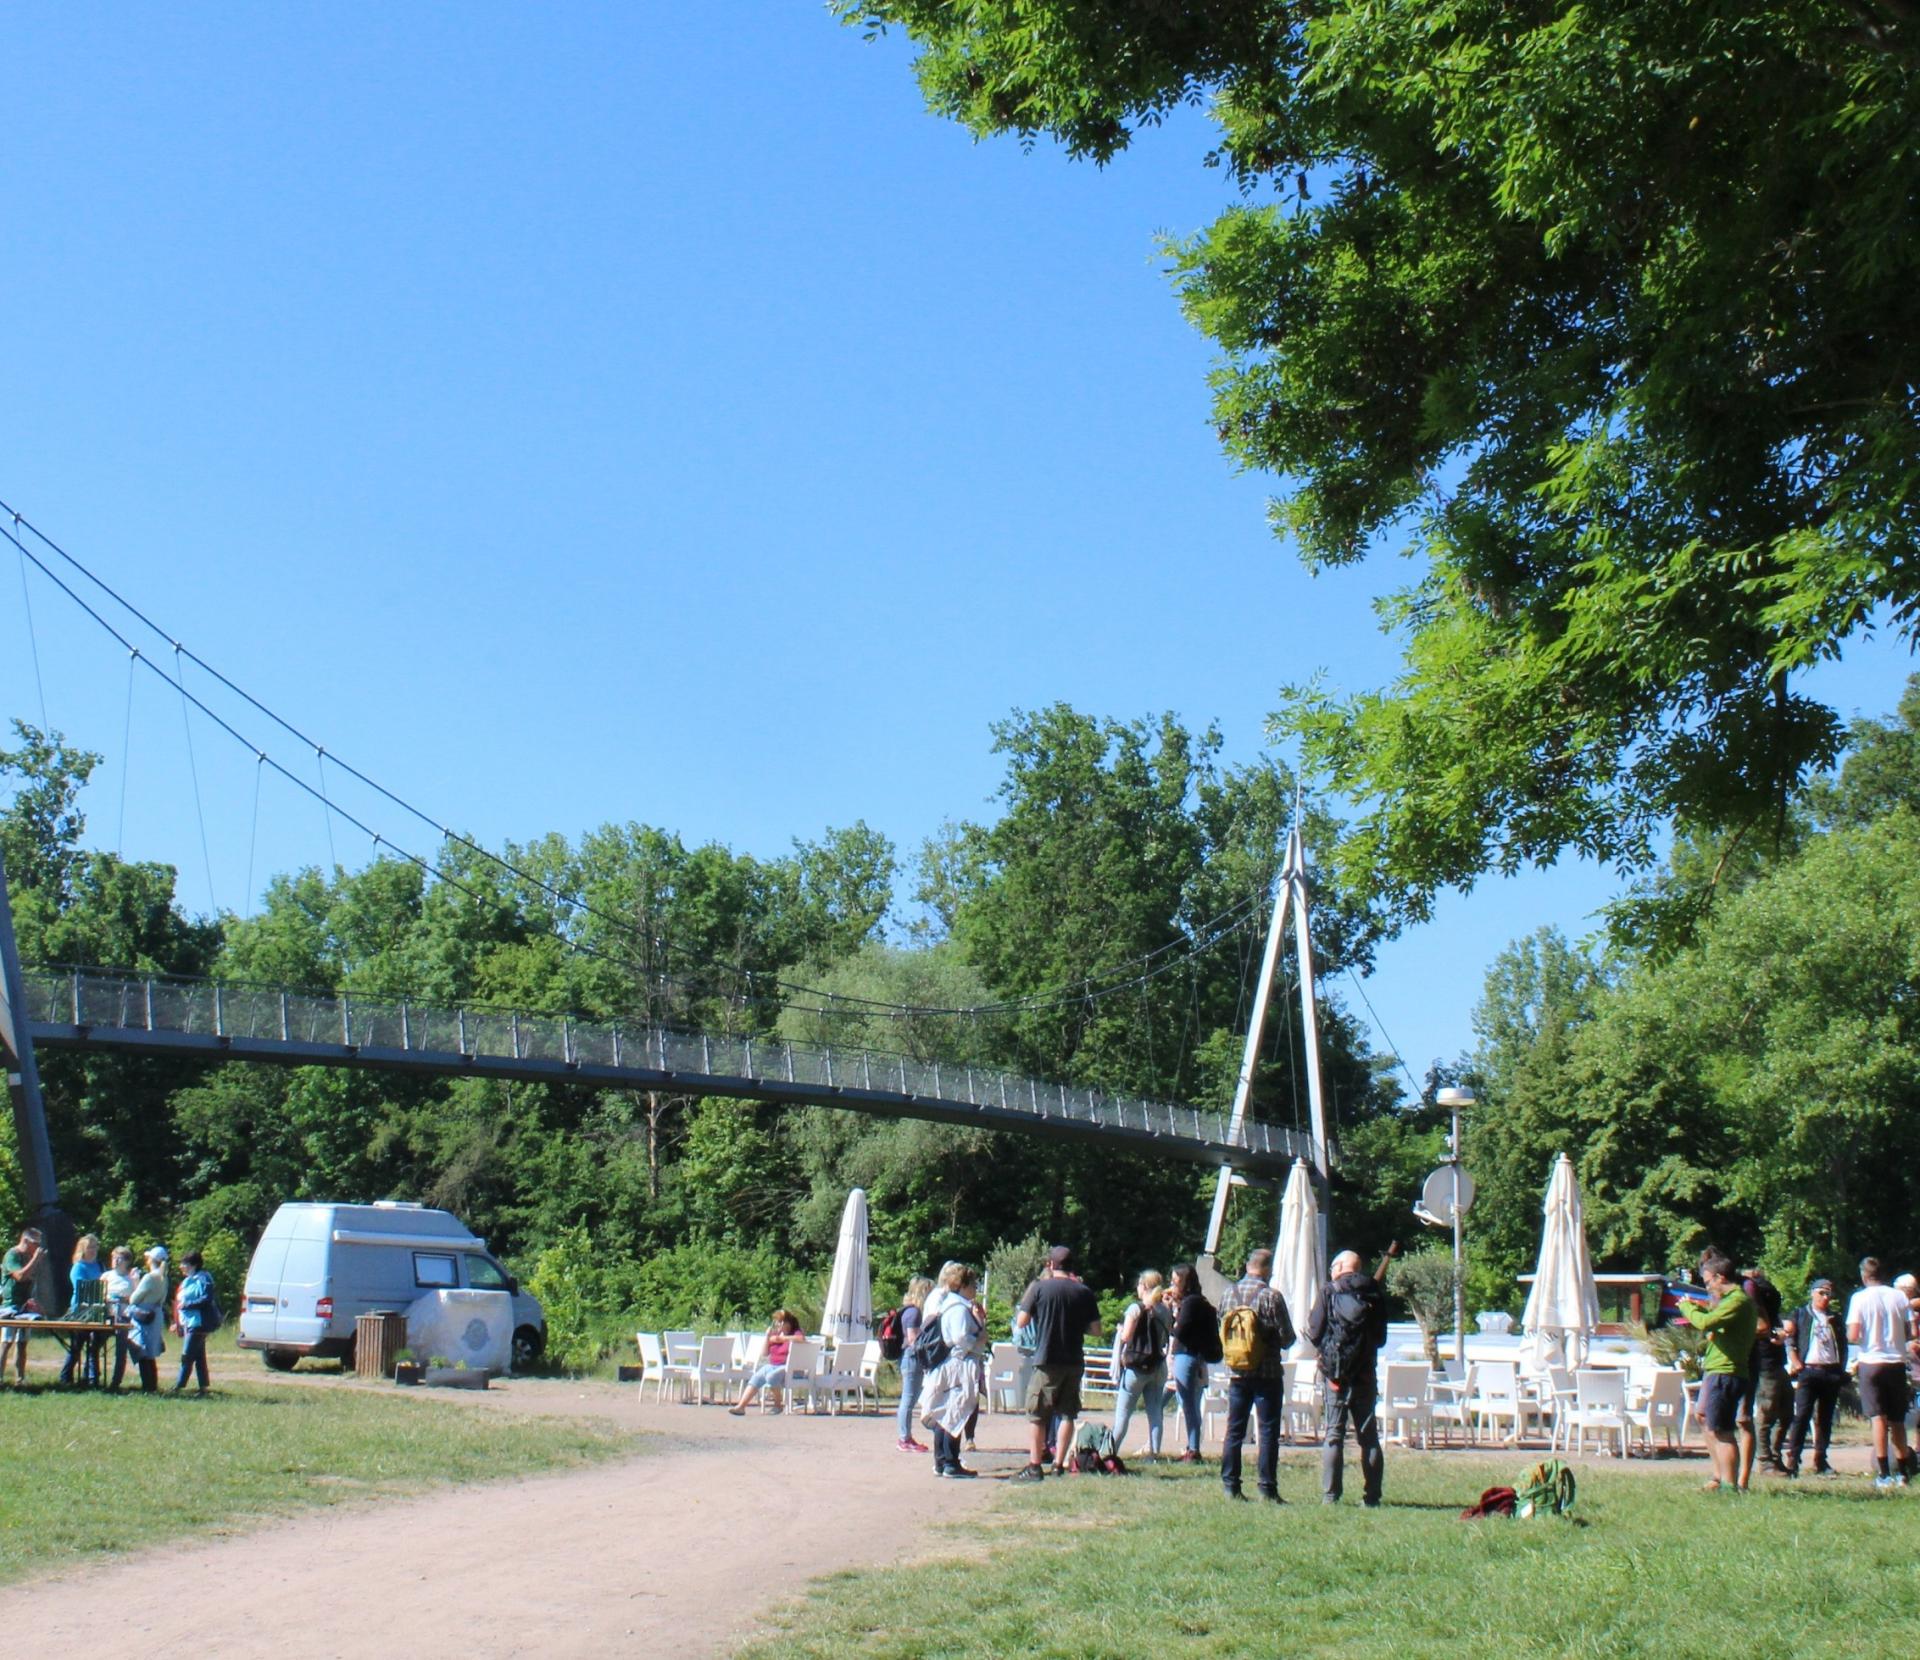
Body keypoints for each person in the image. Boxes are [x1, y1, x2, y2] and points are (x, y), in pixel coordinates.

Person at [1010, 1245, 1101, 1484]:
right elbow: (1096, 1330)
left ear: (1050, 1265)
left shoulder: (1039, 1288)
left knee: (1038, 1413)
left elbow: (1021, 1321)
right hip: (1073, 1360)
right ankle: (1058, 1466)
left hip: (1046, 1358)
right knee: (1067, 1413)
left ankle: (1035, 1466)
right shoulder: (1084, 1292)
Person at [1305, 1249, 1388, 1507]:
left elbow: (1315, 1330)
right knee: (1369, 1437)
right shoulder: (1373, 1292)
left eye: (1333, 1266)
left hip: (1336, 1375)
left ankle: (1331, 1496)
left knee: (1334, 1435)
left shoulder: (1329, 1291)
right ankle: (1372, 1497)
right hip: (1365, 1373)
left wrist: (1328, 1352)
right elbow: (1381, 1338)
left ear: (1341, 1267)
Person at [1217, 1247, 1295, 1503]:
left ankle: (1230, 1485)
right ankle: (1267, 1487)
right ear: (1267, 1269)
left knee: (1235, 1429)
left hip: (1237, 1372)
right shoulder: (1271, 1296)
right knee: (1268, 1430)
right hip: (1267, 1372)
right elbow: (1287, 1338)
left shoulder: (1228, 1294)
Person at [1682, 1247, 1757, 1492]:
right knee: (1702, 1415)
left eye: (1707, 1283)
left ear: (1720, 1278)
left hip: (1727, 1372)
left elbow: (1706, 1323)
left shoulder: (1738, 1300)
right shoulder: (1728, 1302)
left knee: (1722, 1430)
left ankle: (1729, 1485)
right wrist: (1700, 1309)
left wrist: (1687, 1308)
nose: (1707, 1288)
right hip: (1716, 1369)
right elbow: (1713, 1319)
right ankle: (1719, 1476)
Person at [1845, 1256, 1913, 1488]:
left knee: (1878, 1419)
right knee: (1897, 1420)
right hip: (1896, 1361)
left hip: (1871, 1362)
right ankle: (1903, 1472)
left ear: (1864, 1275)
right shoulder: (1900, 1297)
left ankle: (1883, 1473)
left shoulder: (1859, 1298)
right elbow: (1910, 1330)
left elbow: (1853, 1335)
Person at [916, 1261, 984, 1478]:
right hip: (959, 1365)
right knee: (954, 1414)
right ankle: (950, 1463)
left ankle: (942, 1462)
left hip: (950, 1364)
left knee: (944, 1413)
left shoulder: (948, 1303)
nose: (975, 1289)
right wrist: (979, 1337)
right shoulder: (958, 1308)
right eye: (972, 1284)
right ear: (962, 1285)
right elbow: (960, 1338)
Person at [1782, 1278, 1845, 1479]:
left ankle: (1820, 1458)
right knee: (1802, 1415)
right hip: (1809, 1371)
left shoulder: (1834, 1318)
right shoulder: (1801, 1314)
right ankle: (1793, 1458)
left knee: (1825, 1418)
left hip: (1831, 1371)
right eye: (1821, 1293)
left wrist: (1842, 1368)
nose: (1825, 1298)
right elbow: (1790, 1339)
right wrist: (1795, 1360)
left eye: (1828, 1294)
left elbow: (1842, 1343)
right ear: (1812, 1293)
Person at [1110, 1270, 1172, 1459]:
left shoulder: (1135, 1309)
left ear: (1144, 1287)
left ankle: (1111, 1453)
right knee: (1155, 1413)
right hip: (1158, 1366)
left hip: (1136, 1368)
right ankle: (1153, 1453)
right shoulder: (1164, 1310)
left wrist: (1120, 1331)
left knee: (1123, 1414)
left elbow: (1127, 1336)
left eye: (1139, 1284)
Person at [1165, 1262, 1220, 1464]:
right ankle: (1193, 1447)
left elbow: (1178, 1330)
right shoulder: (1201, 1302)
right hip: (1198, 1357)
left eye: (1174, 1281)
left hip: (1185, 1356)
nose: (1171, 1285)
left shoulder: (1191, 1304)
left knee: (1187, 1404)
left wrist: (1171, 1313)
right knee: (1192, 1404)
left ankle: (1193, 1449)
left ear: (1183, 1282)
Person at [1737, 1271, 1789, 1483]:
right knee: (1766, 1412)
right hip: (1765, 1361)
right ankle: (1765, 1461)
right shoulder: (1752, 1298)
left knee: (1786, 1411)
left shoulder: (1764, 1299)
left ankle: (1775, 1458)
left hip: (1777, 1360)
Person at [728, 1310, 802, 1415]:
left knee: (771, 1377)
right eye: (777, 1322)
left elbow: (801, 1338)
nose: (778, 1325)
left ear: (788, 1323)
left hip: (789, 1367)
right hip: (773, 1365)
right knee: (757, 1377)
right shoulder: (775, 1335)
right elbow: (764, 1353)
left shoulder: (795, 1333)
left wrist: (783, 1338)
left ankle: (778, 1404)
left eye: (781, 1322)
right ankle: (741, 1406)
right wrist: (767, 1337)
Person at [0, 1226, 47, 1384]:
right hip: (10, 1305)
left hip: (25, 1306)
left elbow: (32, 1281)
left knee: (22, 1343)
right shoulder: (12, 1255)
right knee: (6, 1342)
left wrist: (34, 1301)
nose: (37, 1247)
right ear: (26, 1241)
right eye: (35, 1243)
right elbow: (20, 1276)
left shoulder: (30, 1257)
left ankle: (20, 1379)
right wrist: (35, 1259)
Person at [58, 1233, 105, 1387]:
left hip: (98, 1308)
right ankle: (66, 1377)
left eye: (95, 1246)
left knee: (95, 1344)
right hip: (81, 1309)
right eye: (89, 1247)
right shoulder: (78, 1267)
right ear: (83, 1249)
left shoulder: (100, 1266)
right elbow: (82, 1286)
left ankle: (91, 1378)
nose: (93, 1250)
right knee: (77, 1345)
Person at [894, 1276, 934, 1453]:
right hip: (911, 1358)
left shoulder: (907, 1310)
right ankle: (904, 1438)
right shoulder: (914, 1312)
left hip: (908, 1357)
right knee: (908, 1399)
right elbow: (912, 1338)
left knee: (909, 1398)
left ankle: (906, 1437)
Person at [126, 1244, 171, 1394]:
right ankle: (152, 1385)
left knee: (142, 1351)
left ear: (151, 1260)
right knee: (150, 1353)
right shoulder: (164, 1277)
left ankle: (147, 1386)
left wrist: (134, 1281)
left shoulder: (150, 1277)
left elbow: (134, 1298)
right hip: (156, 1313)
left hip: (143, 1314)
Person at [172, 1249, 216, 1394]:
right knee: (198, 1356)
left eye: (183, 1264)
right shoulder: (187, 1281)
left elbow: (206, 1298)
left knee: (187, 1355)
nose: (181, 1267)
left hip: (198, 1323)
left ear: (193, 1264)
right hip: (188, 1322)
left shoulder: (203, 1278)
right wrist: (177, 1322)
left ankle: (178, 1386)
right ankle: (203, 1386)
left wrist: (188, 1305)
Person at [100, 1245, 139, 1392]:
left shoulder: (130, 1278)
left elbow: (136, 1297)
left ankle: (115, 1382)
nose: (115, 1261)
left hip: (123, 1315)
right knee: (94, 1343)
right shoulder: (106, 1276)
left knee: (120, 1350)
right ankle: (92, 1377)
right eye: (113, 1258)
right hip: (107, 1314)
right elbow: (100, 1295)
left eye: (119, 1258)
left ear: (127, 1261)